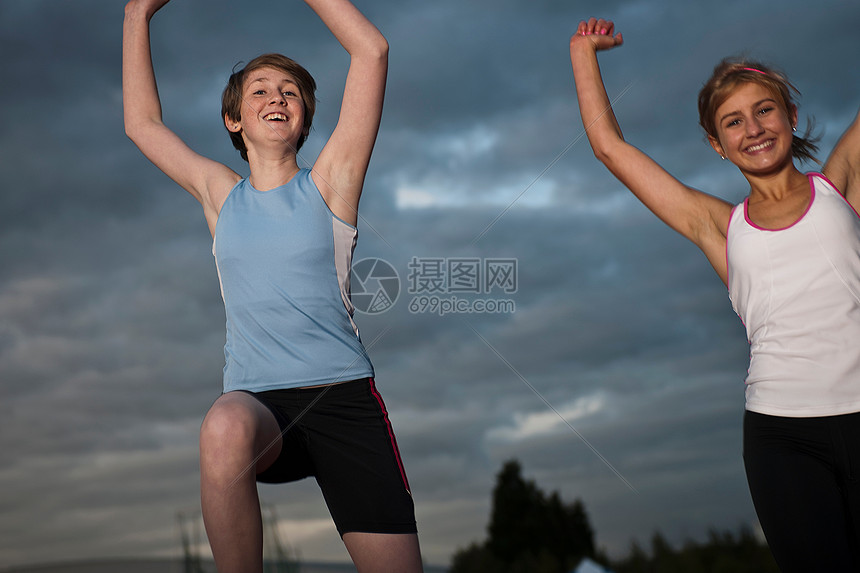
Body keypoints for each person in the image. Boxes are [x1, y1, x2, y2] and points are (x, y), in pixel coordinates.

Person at [122, 1, 424, 571]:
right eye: (259, 90)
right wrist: (137, 13)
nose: (277, 98)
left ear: (305, 120)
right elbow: (142, 125)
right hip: (260, 406)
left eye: (290, 91)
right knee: (222, 426)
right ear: (234, 119)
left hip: (343, 401)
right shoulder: (219, 194)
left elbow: (372, 51)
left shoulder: (332, 183)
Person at [570, 17, 860, 572]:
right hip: (783, 439)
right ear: (717, 143)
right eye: (733, 121)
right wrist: (583, 51)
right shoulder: (719, 226)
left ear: (791, 116)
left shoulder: (839, 184)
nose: (753, 128)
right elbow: (610, 148)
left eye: (764, 110)